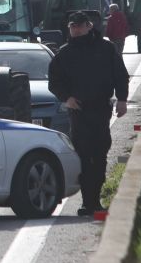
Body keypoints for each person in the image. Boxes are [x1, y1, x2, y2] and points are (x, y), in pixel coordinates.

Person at [48, 11, 129, 217]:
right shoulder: (64, 54)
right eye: (72, 26)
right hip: (79, 112)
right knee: (83, 156)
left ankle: (96, 198)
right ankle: (87, 202)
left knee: (99, 154)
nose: (76, 29)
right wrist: (66, 98)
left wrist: (122, 99)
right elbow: (54, 82)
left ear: (89, 26)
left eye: (79, 26)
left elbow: (120, 75)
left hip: (101, 109)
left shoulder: (106, 49)